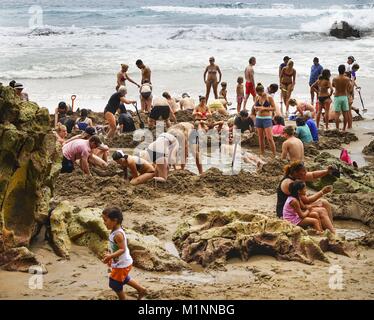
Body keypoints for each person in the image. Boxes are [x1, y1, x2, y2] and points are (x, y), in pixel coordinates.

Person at [101, 207, 146, 300]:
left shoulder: (118, 234)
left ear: (115, 220)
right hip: (119, 263)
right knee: (121, 278)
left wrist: (110, 256)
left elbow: (122, 249)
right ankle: (141, 289)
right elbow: (114, 246)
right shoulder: (114, 231)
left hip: (123, 264)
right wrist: (109, 254)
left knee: (114, 284)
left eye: (105, 220)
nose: (104, 222)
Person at [276, 161, 335, 226]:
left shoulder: (297, 176)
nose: (306, 172)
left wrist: (327, 171)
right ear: (295, 172)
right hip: (287, 213)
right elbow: (307, 200)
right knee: (322, 211)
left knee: (325, 203)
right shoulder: (291, 183)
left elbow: (313, 175)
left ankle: (331, 227)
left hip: (298, 207)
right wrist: (322, 192)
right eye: (303, 171)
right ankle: (332, 232)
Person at [254, 83, 276, 157]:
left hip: (267, 119)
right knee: (260, 138)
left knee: (269, 138)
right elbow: (255, 106)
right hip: (258, 118)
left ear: (263, 90)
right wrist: (256, 108)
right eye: (257, 93)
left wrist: (264, 108)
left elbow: (274, 108)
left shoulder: (269, 98)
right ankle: (262, 153)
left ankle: (274, 154)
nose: (259, 94)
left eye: (260, 93)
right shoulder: (257, 97)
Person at [332, 64, 351, 131]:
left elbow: (333, 85)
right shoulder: (347, 79)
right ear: (344, 70)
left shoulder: (335, 78)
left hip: (337, 96)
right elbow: (350, 87)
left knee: (337, 114)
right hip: (344, 96)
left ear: (338, 70)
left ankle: (337, 128)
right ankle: (343, 129)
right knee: (345, 113)